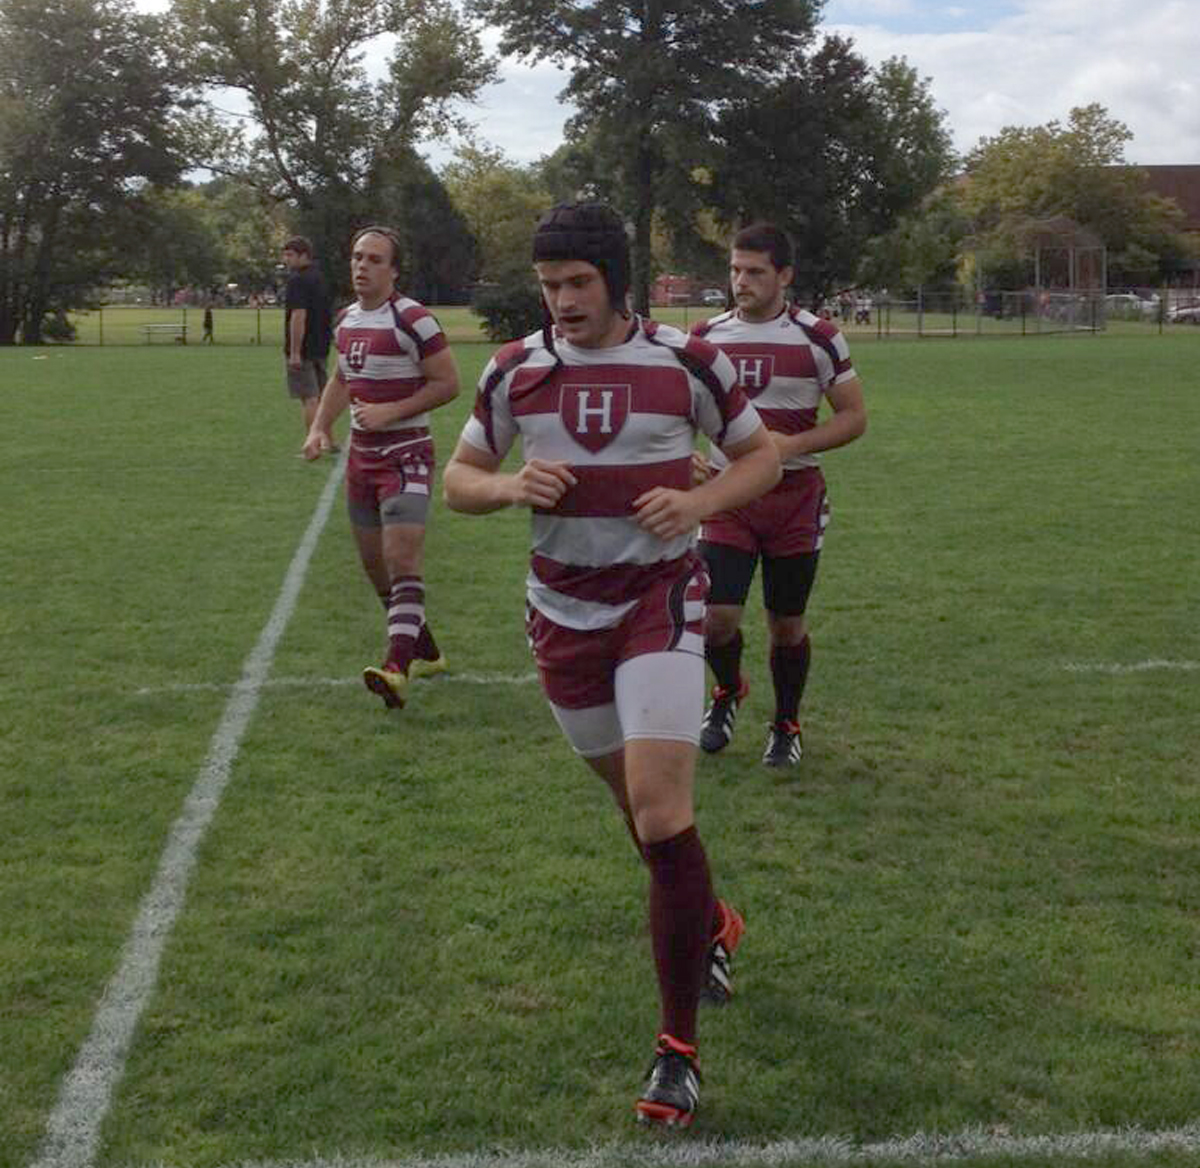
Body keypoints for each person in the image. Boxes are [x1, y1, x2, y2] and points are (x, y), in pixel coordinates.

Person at [443, 203, 780, 1129]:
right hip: (560, 615)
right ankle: (711, 920)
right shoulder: (516, 368)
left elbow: (764, 458)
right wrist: (510, 484)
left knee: (666, 813)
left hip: (660, 604)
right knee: (638, 815)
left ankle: (677, 1051)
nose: (560, 302)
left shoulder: (685, 361)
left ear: (615, 282)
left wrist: (700, 498)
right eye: (548, 287)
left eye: (577, 285)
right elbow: (458, 480)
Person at [692, 223, 867, 766]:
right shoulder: (706, 336)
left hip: (793, 500)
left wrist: (794, 442)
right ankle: (727, 691)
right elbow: (678, 409)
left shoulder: (818, 336)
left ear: (785, 276)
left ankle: (786, 723)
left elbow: (854, 418)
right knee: (714, 618)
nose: (740, 281)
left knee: (785, 625)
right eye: (735, 270)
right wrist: (683, 457)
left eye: (755, 272)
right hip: (728, 497)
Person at [303, 225, 460, 709]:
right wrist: (318, 428)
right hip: (362, 459)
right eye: (356, 257)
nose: (361, 266)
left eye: (374, 259)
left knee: (401, 560)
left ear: (394, 270)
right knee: (376, 571)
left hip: (407, 453)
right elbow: (340, 378)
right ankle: (426, 650)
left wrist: (392, 412)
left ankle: (396, 668)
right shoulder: (346, 320)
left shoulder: (414, 319)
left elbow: (448, 383)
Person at [282, 235, 333, 441]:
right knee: (322, 397)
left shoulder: (297, 280)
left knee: (309, 399)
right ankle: (329, 440)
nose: (286, 259)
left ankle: (314, 442)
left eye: (290, 255)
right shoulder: (319, 277)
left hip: (304, 349)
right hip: (321, 346)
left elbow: (298, 316)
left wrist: (295, 352)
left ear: (304, 255)